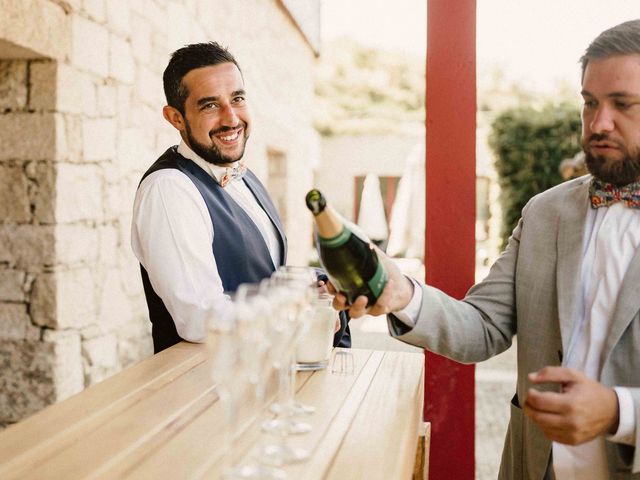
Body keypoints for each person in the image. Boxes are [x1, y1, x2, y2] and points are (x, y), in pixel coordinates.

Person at [335, 19, 640, 479]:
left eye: (623, 105)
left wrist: (620, 412)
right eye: (590, 103)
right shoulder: (545, 213)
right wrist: (401, 293)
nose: (599, 123)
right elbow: (482, 326)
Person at [132, 42, 350, 353]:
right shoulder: (169, 188)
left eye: (237, 98)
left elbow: (262, 279)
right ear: (176, 118)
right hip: (206, 388)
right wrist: (297, 315)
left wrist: (314, 293)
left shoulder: (244, 175)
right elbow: (199, 319)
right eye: (209, 105)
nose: (231, 118)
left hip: (264, 380)